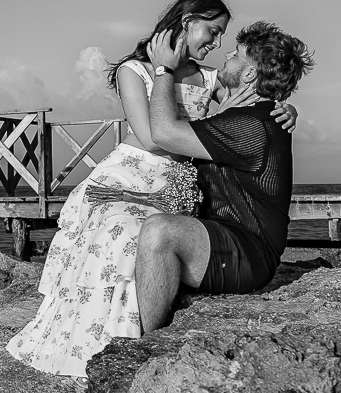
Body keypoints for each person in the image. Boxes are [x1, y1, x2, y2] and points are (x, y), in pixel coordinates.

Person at [5, 0, 296, 377]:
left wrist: (285, 107)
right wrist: (168, 75)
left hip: (175, 184)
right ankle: (89, 339)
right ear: (187, 22)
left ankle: (132, 339)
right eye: (213, 31)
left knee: (143, 235)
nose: (218, 44)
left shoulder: (210, 77)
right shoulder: (135, 70)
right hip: (129, 174)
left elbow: (253, 104)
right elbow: (151, 136)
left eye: (225, 39)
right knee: (119, 232)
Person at [133, 21, 315, 333]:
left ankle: (149, 344)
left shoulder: (251, 125)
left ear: (249, 74)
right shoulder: (250, 115)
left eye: (236, 54)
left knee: (158, 232)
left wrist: (163, 69)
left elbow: (163, 133)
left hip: (247, 254)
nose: (226, 55)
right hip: (226, 238)